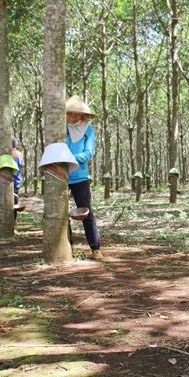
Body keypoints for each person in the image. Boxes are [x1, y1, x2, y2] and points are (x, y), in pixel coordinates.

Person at [66, 95, 102, 259]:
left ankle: (95, 248)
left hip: (79, 176)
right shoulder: (60, 128)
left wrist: (71, 159)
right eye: (69, 114)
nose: (72, 118)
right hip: (60, 175)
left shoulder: (88, 130)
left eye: (76, 114)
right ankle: (67, 247)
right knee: (60, 214)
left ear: (82, 115)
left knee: (86, 212)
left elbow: (88, 153)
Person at [12, 137, 24, 224]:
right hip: (17, 180)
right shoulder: (19, 154)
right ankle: (14, 219)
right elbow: (21, 165)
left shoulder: (6, 153)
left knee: (2, 199)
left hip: (8, 180)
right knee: (15, 200)